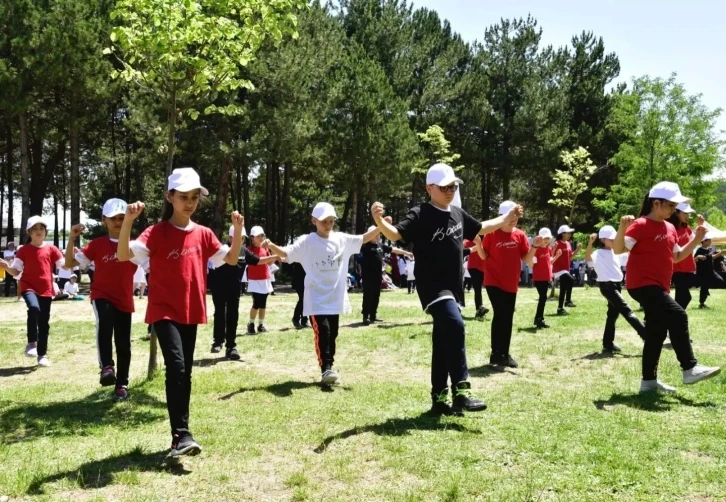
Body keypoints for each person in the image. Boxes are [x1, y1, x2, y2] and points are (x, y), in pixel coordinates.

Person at [371, 163, 522, 416]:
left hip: (453, 287)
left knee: (442, 341)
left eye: (453, 186)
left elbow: (481, 227)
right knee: (455, 325)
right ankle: (461, 391)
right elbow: (396, 234)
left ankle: (439, 399)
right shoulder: (420, 213)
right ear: (429, 188)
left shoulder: (457, 213)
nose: (450, 191)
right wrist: (377, 220)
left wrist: (506, 219)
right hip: (433, 286)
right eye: (444, 187)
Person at [117, 167, 244, 460]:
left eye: (194, 197)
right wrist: (127, 222)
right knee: (176, 366)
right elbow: (124, 255)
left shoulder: (203, 234)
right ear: (169, 197)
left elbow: (232, 259)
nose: (189, 202)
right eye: (183, 196)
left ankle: (181, 435)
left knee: (184, 373)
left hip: (191, 310)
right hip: (163, 311)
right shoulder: (156, 232)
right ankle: (181, 435)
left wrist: (237, 230)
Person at [613, 181, 720, 393]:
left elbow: (678, 257)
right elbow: (618, 249)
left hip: (659, 286)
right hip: (642, 284)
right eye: (671, 205)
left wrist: (697, 239)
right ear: (656, 203)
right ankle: (690, 368)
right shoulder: (640, 225)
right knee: (679, 315)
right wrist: (622, 227)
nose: (674, 210)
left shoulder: (670, 227)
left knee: (656, 334)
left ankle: (648, 383)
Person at [266, 202, 380, 386]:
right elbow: (286, 253)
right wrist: (271, 246)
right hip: (316, 298)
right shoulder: (307, 241)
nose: (328, 225)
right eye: (324, 221)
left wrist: (380, 223)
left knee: (333, 333)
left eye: (331, 221)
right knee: (323, 331)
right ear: (314, 221)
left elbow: (364, 237)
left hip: (335, 298)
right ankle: (325, 368)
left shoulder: (341, 239)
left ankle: (330, 366)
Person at [65, 199, 142, 401]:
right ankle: (107, 366)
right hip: (102, 294)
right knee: (105, 322)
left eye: (121, 218)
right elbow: (69, 263)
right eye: (113, 218)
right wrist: (72, 239)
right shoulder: (96, 245)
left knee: (124, 343)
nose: (117, 222)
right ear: (103, 220)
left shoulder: (134, 246)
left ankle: (122, 384)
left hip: (125, 299)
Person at [480, 200, 539, 368]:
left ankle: (504, 353)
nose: (514, 220)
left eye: (516, 217)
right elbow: (484, 256)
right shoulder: (491, 234)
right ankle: (495, 353)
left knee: (508, 317)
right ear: (502, 216)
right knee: (500, 314)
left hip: (511, 282)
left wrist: (534, 245)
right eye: (511, 217)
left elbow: (527, 259)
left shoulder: (519, 235)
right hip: (493, 280)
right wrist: (478, 245)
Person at [0, 216, 65, 367]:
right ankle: (31, 344)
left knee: (44, 323)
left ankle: (42, 355)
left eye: (41, 228)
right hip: (28, 286)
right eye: (34, 229)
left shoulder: (52, 249)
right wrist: (6, 267)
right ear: (29, 232)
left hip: (46, 289)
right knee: (34, 308)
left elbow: (64, 265)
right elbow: (16, 272)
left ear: (45, 232)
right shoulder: (24, 250)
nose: (38, 231)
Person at [209, 225, 277, 358]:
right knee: (220, 312)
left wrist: (274, 256)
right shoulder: (222, 249)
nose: (241, 241)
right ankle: (218, 341)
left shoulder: (243, 251)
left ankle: (231, 346)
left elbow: (258, 261)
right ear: (229, 238)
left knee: (233, 314)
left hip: (234, 287)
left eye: (242, 238)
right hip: (219, 286)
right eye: (237, 238)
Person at [585, 226, 645, 353]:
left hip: (617, 285)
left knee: (612, 315)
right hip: (607, 286)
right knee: (627, 310)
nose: (613, 241)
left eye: (615, 239)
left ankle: (608, 343)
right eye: (611, 239)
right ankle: (645, 335)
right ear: (603, 240)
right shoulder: (598, 253)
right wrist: (590, 243)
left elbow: (628, 258)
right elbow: (588, 259)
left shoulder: (616, 252)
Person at [359, 225, 411, 325]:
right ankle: (366, 316)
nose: (378, 236)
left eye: (378, 234)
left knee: (376, 296)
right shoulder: (364, 245)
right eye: (375, 234)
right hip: (367, 276)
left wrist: (406, 252)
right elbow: (361, 238)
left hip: (378, 276)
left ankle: (373, 315)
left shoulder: (380, 245)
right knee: (368, 296)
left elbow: (393, 249)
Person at [667, 202, 699, 310]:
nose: (687, 216)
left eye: (688, 213)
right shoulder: (671, 228)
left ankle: (675, 319)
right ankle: (676, 318)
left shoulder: (687, 228)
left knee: (682, 296)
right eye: (685, 213)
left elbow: (695, 242)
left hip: (686, 266)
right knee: (685, 296)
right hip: (676, 267)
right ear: (676, 213)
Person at [246, 226, 273, 334]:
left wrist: (274, 256)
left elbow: (269, 262)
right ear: (252, 238)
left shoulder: (265, 249)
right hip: (254, 280)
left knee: (263, 304)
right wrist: (273, 257)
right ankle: (251, 324)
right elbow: (258, 261)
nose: (261, 238)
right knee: (256, 303)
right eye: (258, 236)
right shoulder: (248, 250)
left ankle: (261, 324)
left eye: (262, 235)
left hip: (265, 279)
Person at [532, 228, 560, 329]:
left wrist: (556, 255)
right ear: (540, 239)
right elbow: (532, 264)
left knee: (543, 298)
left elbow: (549, 263)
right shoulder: (536, 250)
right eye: (545, 238)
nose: (547, 240)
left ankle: (539, 318)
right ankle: (539, 318)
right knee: (543, 298)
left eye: (548, 238)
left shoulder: (548, 249)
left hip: (546, 278)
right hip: (539, 278)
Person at [553, 225, 581, 315]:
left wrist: (577, 249)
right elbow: (551, 255)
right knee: (571, 279)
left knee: (563, 288)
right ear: (562, 234)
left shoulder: (568, 243)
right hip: (558, 269)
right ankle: (568, 300)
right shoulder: (557, 243)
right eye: (568, 233)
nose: (570, 234)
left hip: (565, 269)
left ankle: (560, 308)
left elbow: (570, 257)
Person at [695, 233, 724, 309]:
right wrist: (699, 257)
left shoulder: (707, 250)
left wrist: (720, 253)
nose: (710, 241)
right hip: (703, 273)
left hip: (711, 271)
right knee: (704, 288)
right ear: (704, 241)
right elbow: (696, 259)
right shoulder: (699, 250)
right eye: (709, 240)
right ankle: (701, 304)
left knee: (721, 281)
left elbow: (711, 258)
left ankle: (708, 285)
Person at [290, 261, 308, 329]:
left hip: (306, 279)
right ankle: (296, 319)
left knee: (306, 300)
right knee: (302, 299)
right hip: (299, 280)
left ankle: (304, 320)